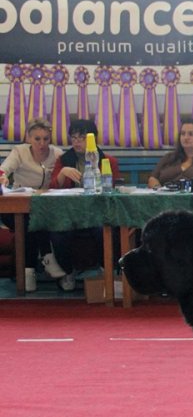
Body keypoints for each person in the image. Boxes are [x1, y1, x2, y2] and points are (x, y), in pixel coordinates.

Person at [47, 119, 121, 291]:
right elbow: (51, 190)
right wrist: (62, 174)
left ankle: (106, 270)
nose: (76, 142)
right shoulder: (64, 160)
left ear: (92, 138)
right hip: (70, 213)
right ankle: (68, 272)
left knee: (102, 229)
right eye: (73, 138)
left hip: (98, 212)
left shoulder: (108, 160)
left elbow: (115, 190)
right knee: (58, 232)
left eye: (81, 137)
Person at [0, 118, 62, 290]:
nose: (42, 144)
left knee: (33, 222)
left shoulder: (57, 154)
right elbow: (4, 169)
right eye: (37, 139)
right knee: (30, 221)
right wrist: (3, 176)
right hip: (17, 207)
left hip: (45, 207)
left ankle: (28, 273)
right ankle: (47, 256)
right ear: (28, 138)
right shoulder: (19, 151)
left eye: (46, 139)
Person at [147, 119, 193, 189]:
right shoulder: (169, 157)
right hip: (166, 200)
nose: (186, 137)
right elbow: (152, 179)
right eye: (183, 134)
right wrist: (159, 191)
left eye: (191, 134)